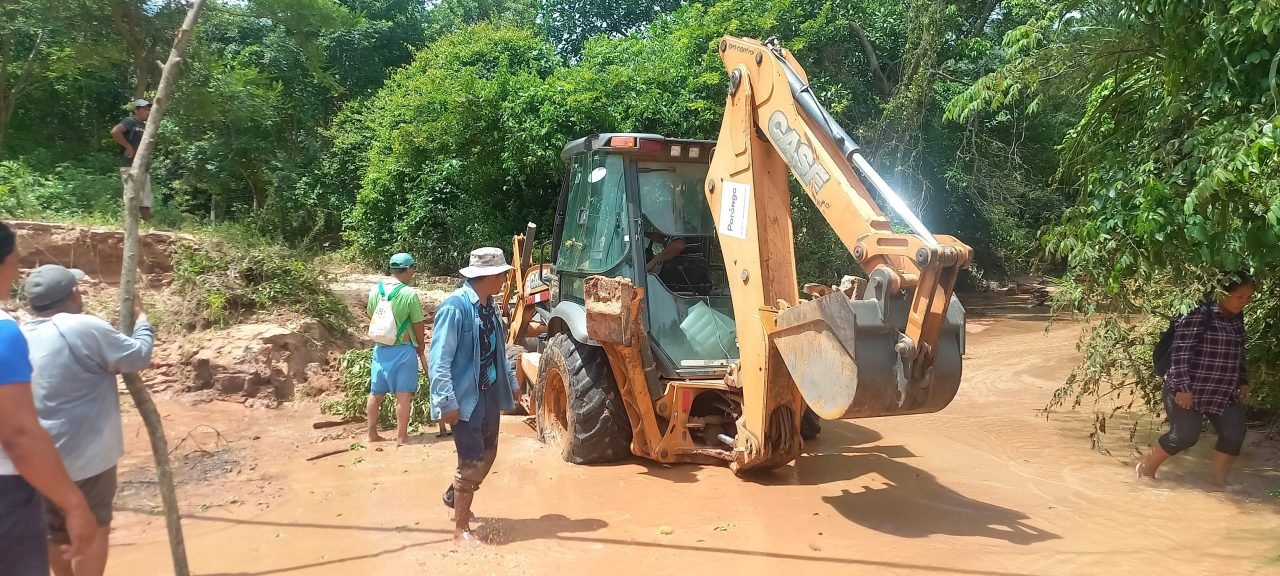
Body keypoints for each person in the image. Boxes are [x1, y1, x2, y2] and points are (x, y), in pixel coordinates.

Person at [21, 264, 154, 576]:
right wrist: (142, 319)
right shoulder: (84, 327)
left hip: (35, 460)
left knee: (55, 530)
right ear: (73, 294)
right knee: (91, 527)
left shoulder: (20, 334)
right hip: (85, 460)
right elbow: (138, 356)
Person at [0, 223, 99, 575]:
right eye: (13, 261)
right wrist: (74, 505)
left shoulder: (25, 329)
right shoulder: (5, 333)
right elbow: (19, 436)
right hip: (11, 490)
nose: (15, 271)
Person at [429, 247, 518, 546]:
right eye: (502, 274)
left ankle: (456, 493)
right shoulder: (455, 308)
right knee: (470, 459)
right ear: (488, 275)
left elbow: (499, 353)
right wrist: (446, 401)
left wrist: (512, 383)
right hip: (464, 397)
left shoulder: (490, 307)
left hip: (489, 393)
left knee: (489, 453)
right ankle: (461, 530)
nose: (506, 278)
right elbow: (439, 359)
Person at [1137, 272, 1255, 489]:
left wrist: (1243, 380)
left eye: (1249, 297)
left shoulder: (1236, 317)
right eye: (1240, 296)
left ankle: (1218, 483)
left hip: (1222, 391)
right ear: (1221, 293)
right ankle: (1145, 471)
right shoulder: (1197, 313)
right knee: (1184, 436)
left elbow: (1238, 351)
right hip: (1187, 389)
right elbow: (1181, 353)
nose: (1245, 302)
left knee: (1234, 433)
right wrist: (1182, 387)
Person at [366, 252, 427, 444]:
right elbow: (418, 323)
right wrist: (420, 345)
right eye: (412, 270)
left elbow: (371, 315)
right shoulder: (409, 294)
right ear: (409, 270)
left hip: (381, 349)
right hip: (403, 350)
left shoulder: (375, 291)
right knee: (403, 395)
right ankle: (402, 436)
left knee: (376, 393)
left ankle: (371, 435)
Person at [110, 99, 153, 222]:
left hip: (143, 167)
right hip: (130, 166)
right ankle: (130, 225)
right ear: (136, 110)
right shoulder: (130, 121)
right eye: (144, 109)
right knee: (132, 196)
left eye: (148, 109)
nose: (148, 112)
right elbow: (115, 131)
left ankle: (147, 225)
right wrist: (128, 146)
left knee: (145, 198)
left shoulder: (144, 126)